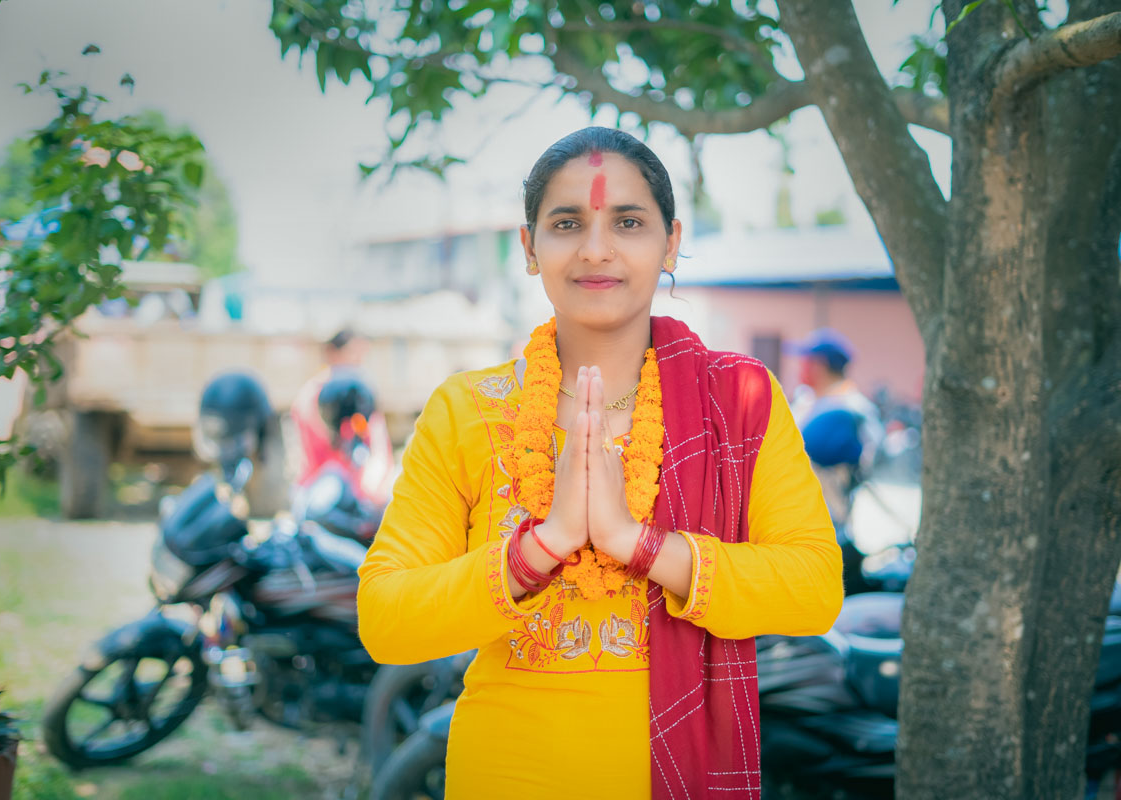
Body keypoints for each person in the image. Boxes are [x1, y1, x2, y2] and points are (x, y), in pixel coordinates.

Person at [357, 127, 843, 799]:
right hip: (504, 773)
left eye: (628, 221)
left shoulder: (739, 400)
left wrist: (638, 544)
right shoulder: (467, 410)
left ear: (670, 241)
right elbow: (386, 619)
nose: (595, 249)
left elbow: (815, 588)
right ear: (530, 247)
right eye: (566, 223)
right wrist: (542, 546)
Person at [787, 328, 884, 530]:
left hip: (822, 517)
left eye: (804, 362)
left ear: (819, 365)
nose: (799, 368)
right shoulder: (808, 399)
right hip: (793, 512)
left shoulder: (850, 407)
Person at [291, 328, 393, 507]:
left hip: (361, 492)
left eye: (362, 355)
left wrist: (375, 486)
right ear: (332, 353)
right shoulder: (312, 395)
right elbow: (315, 453)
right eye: (353, 354)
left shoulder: (363, 396)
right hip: (321, 488)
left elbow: (379, 450)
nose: (358, 362)